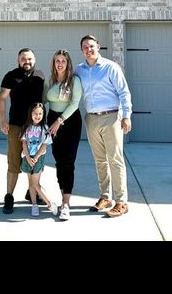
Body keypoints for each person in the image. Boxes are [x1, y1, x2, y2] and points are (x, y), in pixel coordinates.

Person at [75, 34, 132, 217]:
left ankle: (121, 201)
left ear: (98, 47)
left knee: (115, 159)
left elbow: (124, 92)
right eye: (85, 47)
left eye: (91, 46)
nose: (88, 49)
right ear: (81, 50)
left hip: (112, 117)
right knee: (100, 160)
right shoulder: (79, 70)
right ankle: (105, 197)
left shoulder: (110, 67)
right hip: (91, 118)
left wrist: (127, 116)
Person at [0, 48, 45, 214]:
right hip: (16, 126)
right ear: (19, 61)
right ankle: (9, 196)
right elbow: (2, 98)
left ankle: (31, 191)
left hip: (35, 128)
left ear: (35, 59)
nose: (27, 62)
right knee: (14, 161)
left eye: (30, 59)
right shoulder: (11, 76)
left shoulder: (40, 76)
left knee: (34, 161)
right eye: (24, 59)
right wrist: (3, 120)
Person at [43, 49, 83, 222]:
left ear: (68, 64)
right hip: (52, 120)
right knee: (59, 161)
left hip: (70, 122)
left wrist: (59, 121)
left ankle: (66, 205)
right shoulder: (50, 81)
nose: (60, 63)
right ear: (53, 63)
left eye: (63, 61)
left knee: (68, 162)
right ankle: (62, 198)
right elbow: (41, 100)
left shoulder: (74, 80)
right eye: (57, 60)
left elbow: (74, 103)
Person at [20, 103, 59, 217]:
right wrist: (28, 158)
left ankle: (50, 203)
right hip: (27, 157)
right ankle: (34, 205)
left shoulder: (45, 128)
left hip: (38, 158)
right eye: (35, 113)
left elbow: (44, 145)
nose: (38, 116)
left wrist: (35, 158)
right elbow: (24, 144)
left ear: (43, 114)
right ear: (30, 114)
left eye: (40, 113)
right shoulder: (26, 127)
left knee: (35, 184)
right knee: (30, 184)